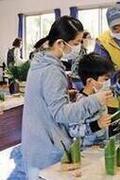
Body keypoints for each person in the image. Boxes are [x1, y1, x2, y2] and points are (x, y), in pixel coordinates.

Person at [21, 16, 113, 179]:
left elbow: (46, 98)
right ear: (60, 43)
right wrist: (94, 100)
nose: (78, 47)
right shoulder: (52, 71)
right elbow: (61, 114)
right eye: (76, 43)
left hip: (36, 144)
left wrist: (64, 94)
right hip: (48, 148)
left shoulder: (40, 62)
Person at [68, 53, 120, 147]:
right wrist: (96, 125)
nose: (107, 83)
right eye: (105, 79)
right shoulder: (80, 103)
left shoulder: (100, 94)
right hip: (87, 151)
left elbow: (115, 92)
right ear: (90, 81)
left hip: (101, 145)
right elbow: (73, 130)